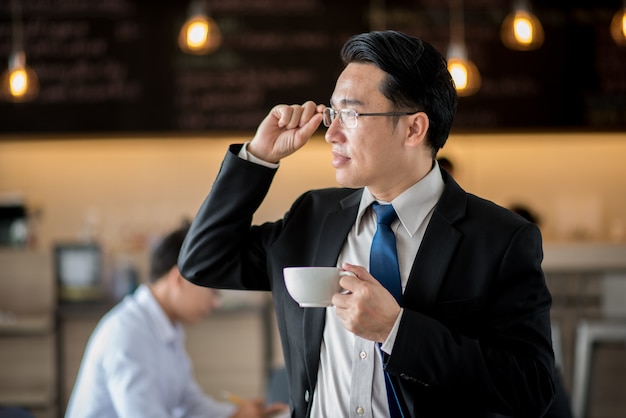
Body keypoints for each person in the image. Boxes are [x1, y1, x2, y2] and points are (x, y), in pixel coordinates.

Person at [179, 30, 556, 417]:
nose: (332, 134)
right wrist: (258, 156)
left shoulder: (500, 239)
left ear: (414, 129)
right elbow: (204, 260)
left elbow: (531, 388)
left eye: (352, 114)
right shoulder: (313, 216)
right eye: (333, 112)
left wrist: (396, 330)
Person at [65, 223, 286, 418]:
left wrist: (236, 413)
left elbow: (189, 404)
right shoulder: (127, 332)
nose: (215, 303)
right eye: (214, 292)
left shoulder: (166, 326)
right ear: (179, 279)